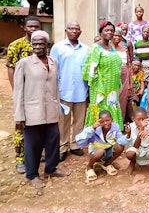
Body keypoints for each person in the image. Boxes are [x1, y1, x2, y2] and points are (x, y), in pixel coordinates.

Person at [13, 30, 67, 189]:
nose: (37, 46)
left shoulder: (53, 62)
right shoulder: (23, 63)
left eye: (41, 44)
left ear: (47, 45)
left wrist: (58, 108)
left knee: (53, 141)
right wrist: (19, 116)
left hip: (50, 110)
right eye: (34, 43)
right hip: (32, 111)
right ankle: (32, 174)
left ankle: (50, 168)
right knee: (33, 145)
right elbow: (18, 92)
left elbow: (55, 87)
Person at [50, 21, 89, 163]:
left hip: (81, 91)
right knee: (63, 121)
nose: (74, 31)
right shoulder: (58, 48)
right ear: (66, 30)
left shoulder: (86, 49)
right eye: (71, 28)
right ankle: (63, 146)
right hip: (64, 91)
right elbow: (53, 69)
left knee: (79, 120)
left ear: (80, 32)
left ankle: (75, 144)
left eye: (77, 29)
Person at [7, 16, 42, 173]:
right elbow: (10, 68)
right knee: (21, 125)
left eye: (36, 26)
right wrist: (16, 91)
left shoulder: (42, 45)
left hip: (39, 92)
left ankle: (36, 153)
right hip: (23, 93)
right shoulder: (16, 46)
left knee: (39, 125)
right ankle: (20, 159)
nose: (33, 29)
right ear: (24, 28)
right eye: (30, 26)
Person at [83, 21, 124, 129]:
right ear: (101, 32)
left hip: (112, 87)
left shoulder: (112, 48)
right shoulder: (95, 48)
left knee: (112, 107)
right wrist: (97, 84)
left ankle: (111, 135)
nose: (110, 32)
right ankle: (97, 137)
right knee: (100, 109)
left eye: (111, 30)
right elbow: (90, 69)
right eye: (106, 30)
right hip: (100, 87)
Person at [124, 106, 149, 171]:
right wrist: (141, 130)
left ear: (147, 118)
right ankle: (132, 162)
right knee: (130, 154)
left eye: (143, 119)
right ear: (133, 119)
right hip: (138, 149)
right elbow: (135, 146)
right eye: (139, 119)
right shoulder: (131, 126)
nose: (141, 122)